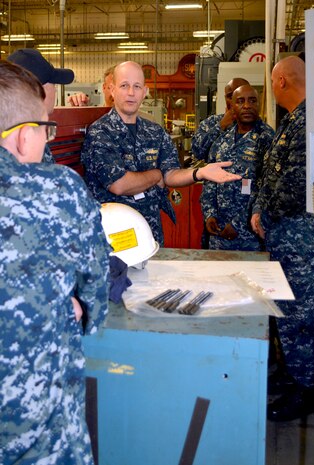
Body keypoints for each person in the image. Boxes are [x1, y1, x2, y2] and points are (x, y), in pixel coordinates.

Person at [0, 60, 110, 464]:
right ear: (24, 136)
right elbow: (96, 287)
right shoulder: (60, 190)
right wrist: (79, 308)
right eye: (45, 128)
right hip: (40, 427)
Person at [81, 60, 242, 246]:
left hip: (150, 232)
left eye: (137, 86)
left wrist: (200, 172)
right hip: (114, 235)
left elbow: (171, 174)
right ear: (112, 89)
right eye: (124, 86)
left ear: (145, 92)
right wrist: (156, 174)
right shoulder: (100, 132)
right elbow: (119, 184)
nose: (131, 93)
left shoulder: (154, 131)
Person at [251, 55, 314, 421]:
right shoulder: (295, 121)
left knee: (300, 315)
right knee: (288, 313)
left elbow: (297, 187)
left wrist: (265, 215)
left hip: (301, 241)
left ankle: (307, 389)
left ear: (281, 81)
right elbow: (273, 176)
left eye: (271, 82)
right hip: (287, 241)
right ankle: (293, 375)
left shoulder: (306, 124)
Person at [200, 85, 274, 251]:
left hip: (250, 237)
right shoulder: (222, 140)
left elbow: (268, 189)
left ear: (259, 105)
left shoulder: (268, 139)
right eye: (240, 101)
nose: (247, 105)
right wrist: (209, 214)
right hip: (218, 235)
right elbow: (210, 181)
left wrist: (238, 225)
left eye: (252, 101)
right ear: (232, 106)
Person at [8, 48, 75, 163]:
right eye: (54, 84)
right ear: (41, 90)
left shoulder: (11, 131)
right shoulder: (29, 138)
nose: (55, 90)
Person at [191, 77, 249, 161]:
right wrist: (221, 125)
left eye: (239, 96)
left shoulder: (260, 129)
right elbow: (197, 153)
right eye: (230, 96)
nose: (233, 100)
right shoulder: (210, 123)